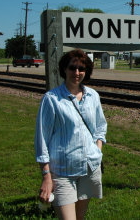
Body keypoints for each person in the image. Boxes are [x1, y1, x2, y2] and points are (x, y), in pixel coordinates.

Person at [35, 49, 107, 219]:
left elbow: (101, 126)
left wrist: (98, 150)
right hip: (62, 171)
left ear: (86, 71)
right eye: (72, 68)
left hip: (89, 169)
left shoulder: (93, 96)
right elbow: (42, 138)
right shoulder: (51, 99)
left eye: (81, 68)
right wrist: (46, 175)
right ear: (64, 69)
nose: (76, 72)